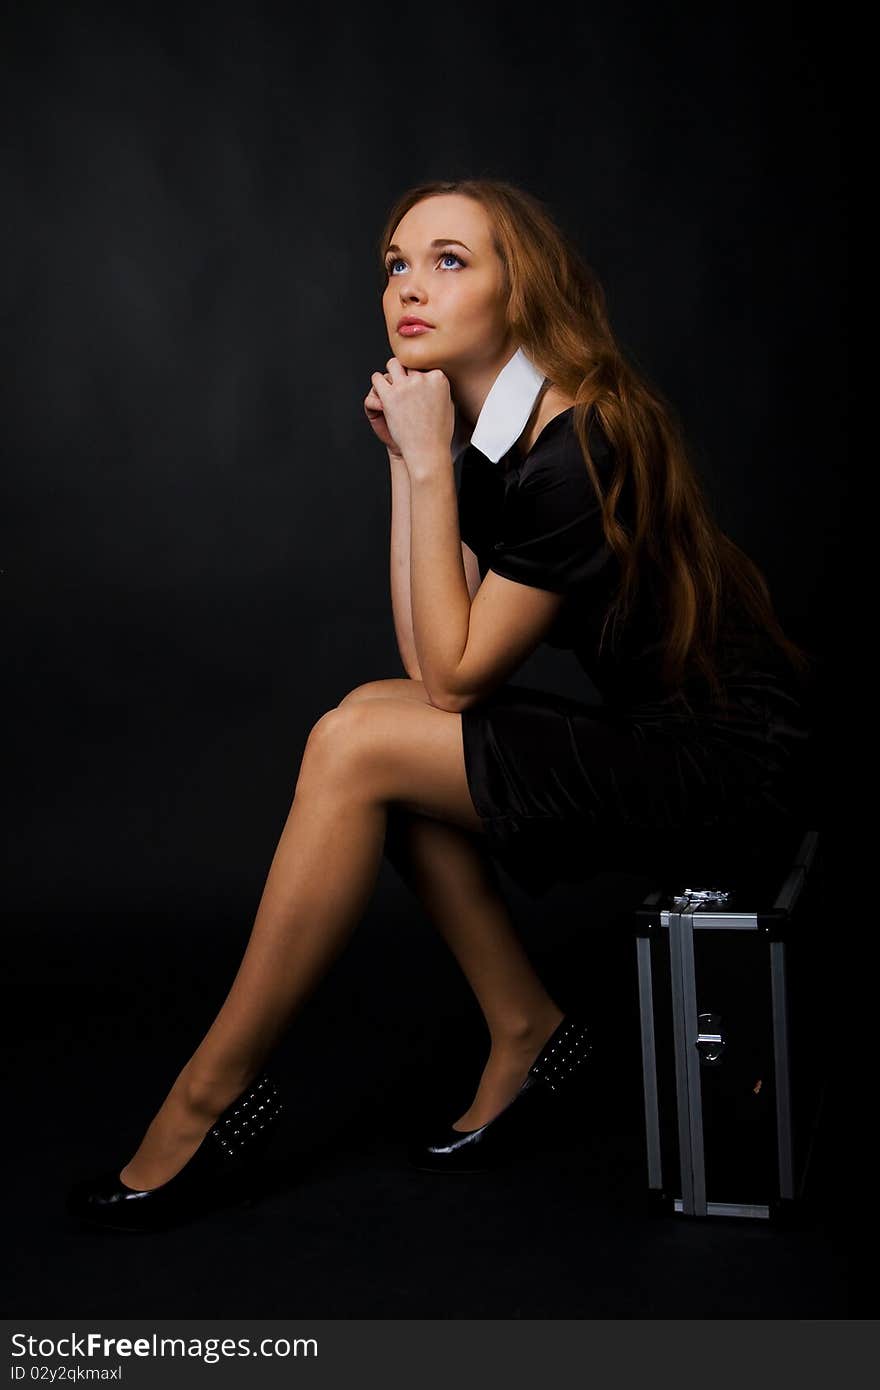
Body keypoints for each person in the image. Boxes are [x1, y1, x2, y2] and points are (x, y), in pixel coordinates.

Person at [66, 177, 814, 1231]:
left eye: (450, 259)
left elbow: (457, 683)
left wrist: (426, 466)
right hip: (676, 740)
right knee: (374, 720)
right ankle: (525, 1027)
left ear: (522, 292)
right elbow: (432, 666)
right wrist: (411, 467)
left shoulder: (580, 441)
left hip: (731, 770)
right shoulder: (512, 436)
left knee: (359, 739)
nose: (409, 286)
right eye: (396, 262)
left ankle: (209, 1095)